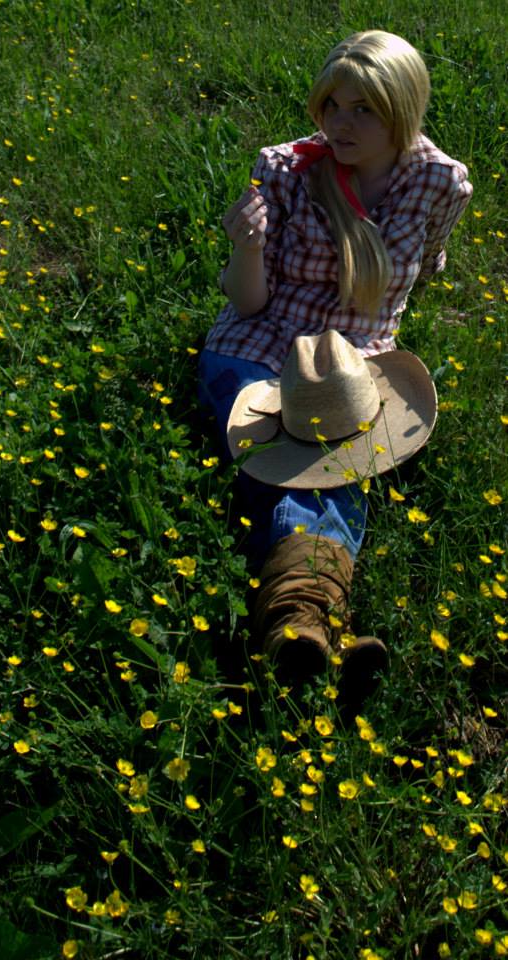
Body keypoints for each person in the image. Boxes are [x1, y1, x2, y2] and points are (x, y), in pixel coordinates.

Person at [198, 29, 472, 705]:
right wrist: (247, 248)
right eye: (331, 105)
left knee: (334, 451)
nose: (339, 125)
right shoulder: (283, 169)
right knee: (289, 452)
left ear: (402, 112)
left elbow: (427, 262)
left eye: (363, 110)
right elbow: (248, 299)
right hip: (259, 341)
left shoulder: (439, 181)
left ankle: (295, 627)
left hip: (356, 358)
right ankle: (308, 618)